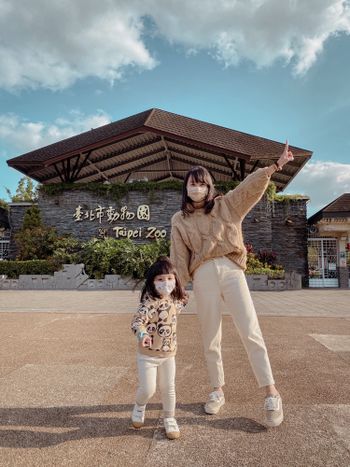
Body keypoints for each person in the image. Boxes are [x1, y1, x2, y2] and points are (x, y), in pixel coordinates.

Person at [170, 141, 294, 427]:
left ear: (209, 186)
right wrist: (178, 289)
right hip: (202, 275)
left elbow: (249, 187)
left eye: (201, 184)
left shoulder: (226, 205)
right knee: (210, 334)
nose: (196, 188)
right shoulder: (180, 219)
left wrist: (276, 166)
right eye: (191, 184)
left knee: (250, 329)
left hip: (231, 268)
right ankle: (216, 390)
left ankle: (271, 392)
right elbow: (178, 256)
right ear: (185, 188)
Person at [130, 256, 188, 439]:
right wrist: (143, 334)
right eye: (160, 279)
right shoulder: (149, 303)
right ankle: (140, 406)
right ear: (152, 282)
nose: (166, 283)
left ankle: (169, 418)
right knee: (148, 389)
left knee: (168, 388)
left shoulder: (175, 301)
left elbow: (183, 301)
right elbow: (137, 322)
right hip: (147, 356)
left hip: (169, 354)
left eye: (170, 278)